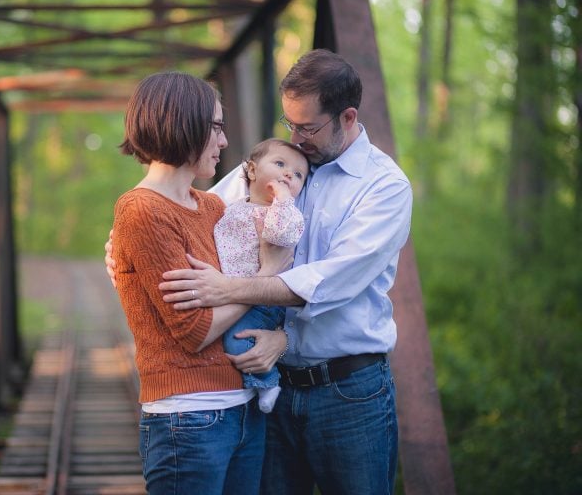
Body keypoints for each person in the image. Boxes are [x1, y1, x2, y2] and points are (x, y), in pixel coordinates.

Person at [137, 49, 412, 495]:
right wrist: (128, 245)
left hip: (349, 392)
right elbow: (194, 210)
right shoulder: (277, 161)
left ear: (347, 117)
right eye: (289, 124)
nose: (296, 137)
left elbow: (331, 281)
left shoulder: (384, 187)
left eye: (307, 127)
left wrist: (233, 291)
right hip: (271, 390)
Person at [110, 71, 292, 495]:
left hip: (244, 409)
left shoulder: (209, 205)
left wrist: (275, 330)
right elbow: (196, 330)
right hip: (187, 419)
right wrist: (265, 277)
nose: (224, 142)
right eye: (215, 127)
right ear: (181, 123)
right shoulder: (141, 211)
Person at [214, 138, 308, 414]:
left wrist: (282, 200)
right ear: (252, 171)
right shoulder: (233, 206)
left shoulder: (285, 214)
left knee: (236, 339)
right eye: (280, 164)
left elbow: (282, 235)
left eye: (298, 174)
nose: (289, 174)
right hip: (232, 292)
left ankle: (267, 383)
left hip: (263, 300)